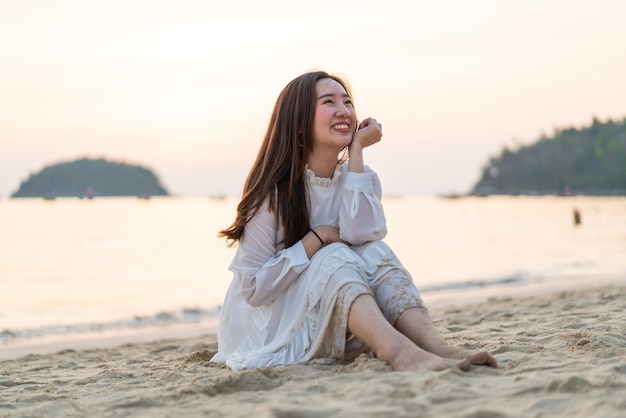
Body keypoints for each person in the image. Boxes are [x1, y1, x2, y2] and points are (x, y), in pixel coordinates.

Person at [211, 71, 498, 372]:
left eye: (347, 102)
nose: (344, 110)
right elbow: (254, 290)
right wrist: (316, 238)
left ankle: (437, 348)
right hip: (263, 326)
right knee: (332, 254)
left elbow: (362, 236)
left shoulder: (359, 176)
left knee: (376, 252)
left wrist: (357, 148)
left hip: (322, 306)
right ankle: (396, 350)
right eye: (329, 102)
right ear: (299, 122)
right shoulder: (273, 194)